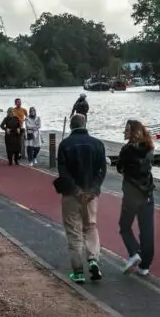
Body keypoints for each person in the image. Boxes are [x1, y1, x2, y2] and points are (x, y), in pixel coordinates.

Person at [55, 113, 107, 284]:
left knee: (73, 231)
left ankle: (78, 272)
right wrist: (92, 190)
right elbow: (101, 171)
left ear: (71, 126)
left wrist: (77, 191)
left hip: (71, 194)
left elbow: (63, 172)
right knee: (90, 226)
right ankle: (93, 259)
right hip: (91, 195)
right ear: (85, 124)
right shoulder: (98, 144)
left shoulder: (65, 144)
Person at [117, 120, 156, 276]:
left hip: (132, 194)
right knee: (147, 230)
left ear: (132, 132)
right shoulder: (149, 148)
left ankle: (134, 253)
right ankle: (145, 266)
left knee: (124, 226)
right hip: (147, 194)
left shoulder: (126, 150)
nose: (124, 132)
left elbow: (120, 168)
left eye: (126, 129)